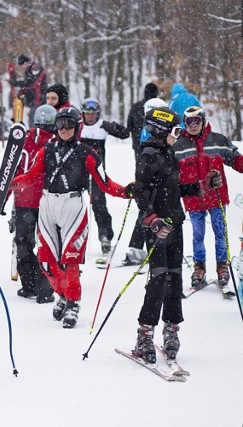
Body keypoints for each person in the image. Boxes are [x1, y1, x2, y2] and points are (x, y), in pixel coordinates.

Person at [9, 106, 131, 328]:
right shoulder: (46, 150)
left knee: (71, 260)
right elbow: (32, 176)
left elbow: (104, 183)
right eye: (60, 124)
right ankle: (63, 294)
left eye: (69, 125)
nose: (64, 129)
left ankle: (73, 303)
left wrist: (126, 192)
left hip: (73, 205)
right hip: (47, 204)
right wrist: (11, 183)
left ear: (78, 127)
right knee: (46, 261)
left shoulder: (87, 153)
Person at [130, 105, 215, 364]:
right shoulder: (147, 154)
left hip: (175, 223)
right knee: (158, 278)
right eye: (175, 130)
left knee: (175, 278)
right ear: (161, 129)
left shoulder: (169, 153)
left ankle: (171, 329)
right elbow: (141, 191)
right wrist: (151, 218)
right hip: (157, 227)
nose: (178, 134)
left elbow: (173, 188)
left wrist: (200, 187)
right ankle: (145, 333)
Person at [173, 106, 243, 292]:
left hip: (217, 197)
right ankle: (200, 268)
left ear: (203, 121)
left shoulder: (217, 140)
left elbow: (235, 159)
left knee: (220, 232)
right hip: (194, 199)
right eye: (189, 122)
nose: (193, 126)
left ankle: (222, 267)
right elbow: (169, 170)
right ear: (184, 123)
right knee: (198, 235)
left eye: (196, 121)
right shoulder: (178, 145)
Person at [10, 104, 57, 303]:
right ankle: (45, 287)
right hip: (49, 200)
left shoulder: (24, 140)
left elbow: (12, 169)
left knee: (23, 241)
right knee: (48, 243)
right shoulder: (57, 143)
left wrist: (2, 199)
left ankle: (28, 285)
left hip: (24, 199)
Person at [79, 97, 131, 260]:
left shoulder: (102, 126)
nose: (90, 117)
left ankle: (105, 236)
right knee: (74, 205)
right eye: (87, 114)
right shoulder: (77, 126)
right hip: (77, 173)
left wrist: (113, 126)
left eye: (94, 114)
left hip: (97, 172)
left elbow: (125, 134)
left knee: (99, 205)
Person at [122, 96, 168, 266]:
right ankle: (140, 250)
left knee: (150, 211)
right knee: (148, 210)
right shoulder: (150, 129)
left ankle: (138, 248)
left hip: (154, 175)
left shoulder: (150, 127)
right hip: (151, 176)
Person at [9, 54, 47, 124]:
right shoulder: (30, 69)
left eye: (22, 65)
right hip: (35, 101)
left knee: (34, 122)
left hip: (39, 101)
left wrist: (17, 83)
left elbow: (31, 83)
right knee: (33, 121)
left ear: (25, 63)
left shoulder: (35, 68)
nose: (22, 68)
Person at [127, 83, 159, 155]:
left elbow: (129, 125)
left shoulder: (136, 106)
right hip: (156, 144)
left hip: (138, 143)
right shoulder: (160, 106)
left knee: (140, 164)